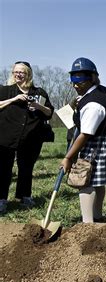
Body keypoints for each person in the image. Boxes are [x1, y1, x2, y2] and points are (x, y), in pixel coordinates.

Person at [60, 57, 106, 223]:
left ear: (92, 78)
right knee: (97, 180)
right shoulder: (101, 90)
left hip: (100, 141)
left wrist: (68, 157)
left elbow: (85, 134)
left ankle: (88, 224)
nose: (76, 85)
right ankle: (97, 217)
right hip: (104, 136)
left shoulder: (93, 105)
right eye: (73, 79)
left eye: (81, 80)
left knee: (85, 180)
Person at [0, 61, 54, 214]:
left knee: (26, 168)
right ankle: (1, 199)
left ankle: (25, 196)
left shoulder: (39, 92)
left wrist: (39, 107)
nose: (18, 74)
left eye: (21, 72)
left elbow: (49, 112)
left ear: (28, 74)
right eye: (15, 72)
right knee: (4, 168)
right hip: (6, 136)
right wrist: (14, 99)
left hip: (31, 137)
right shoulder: (5, 90)